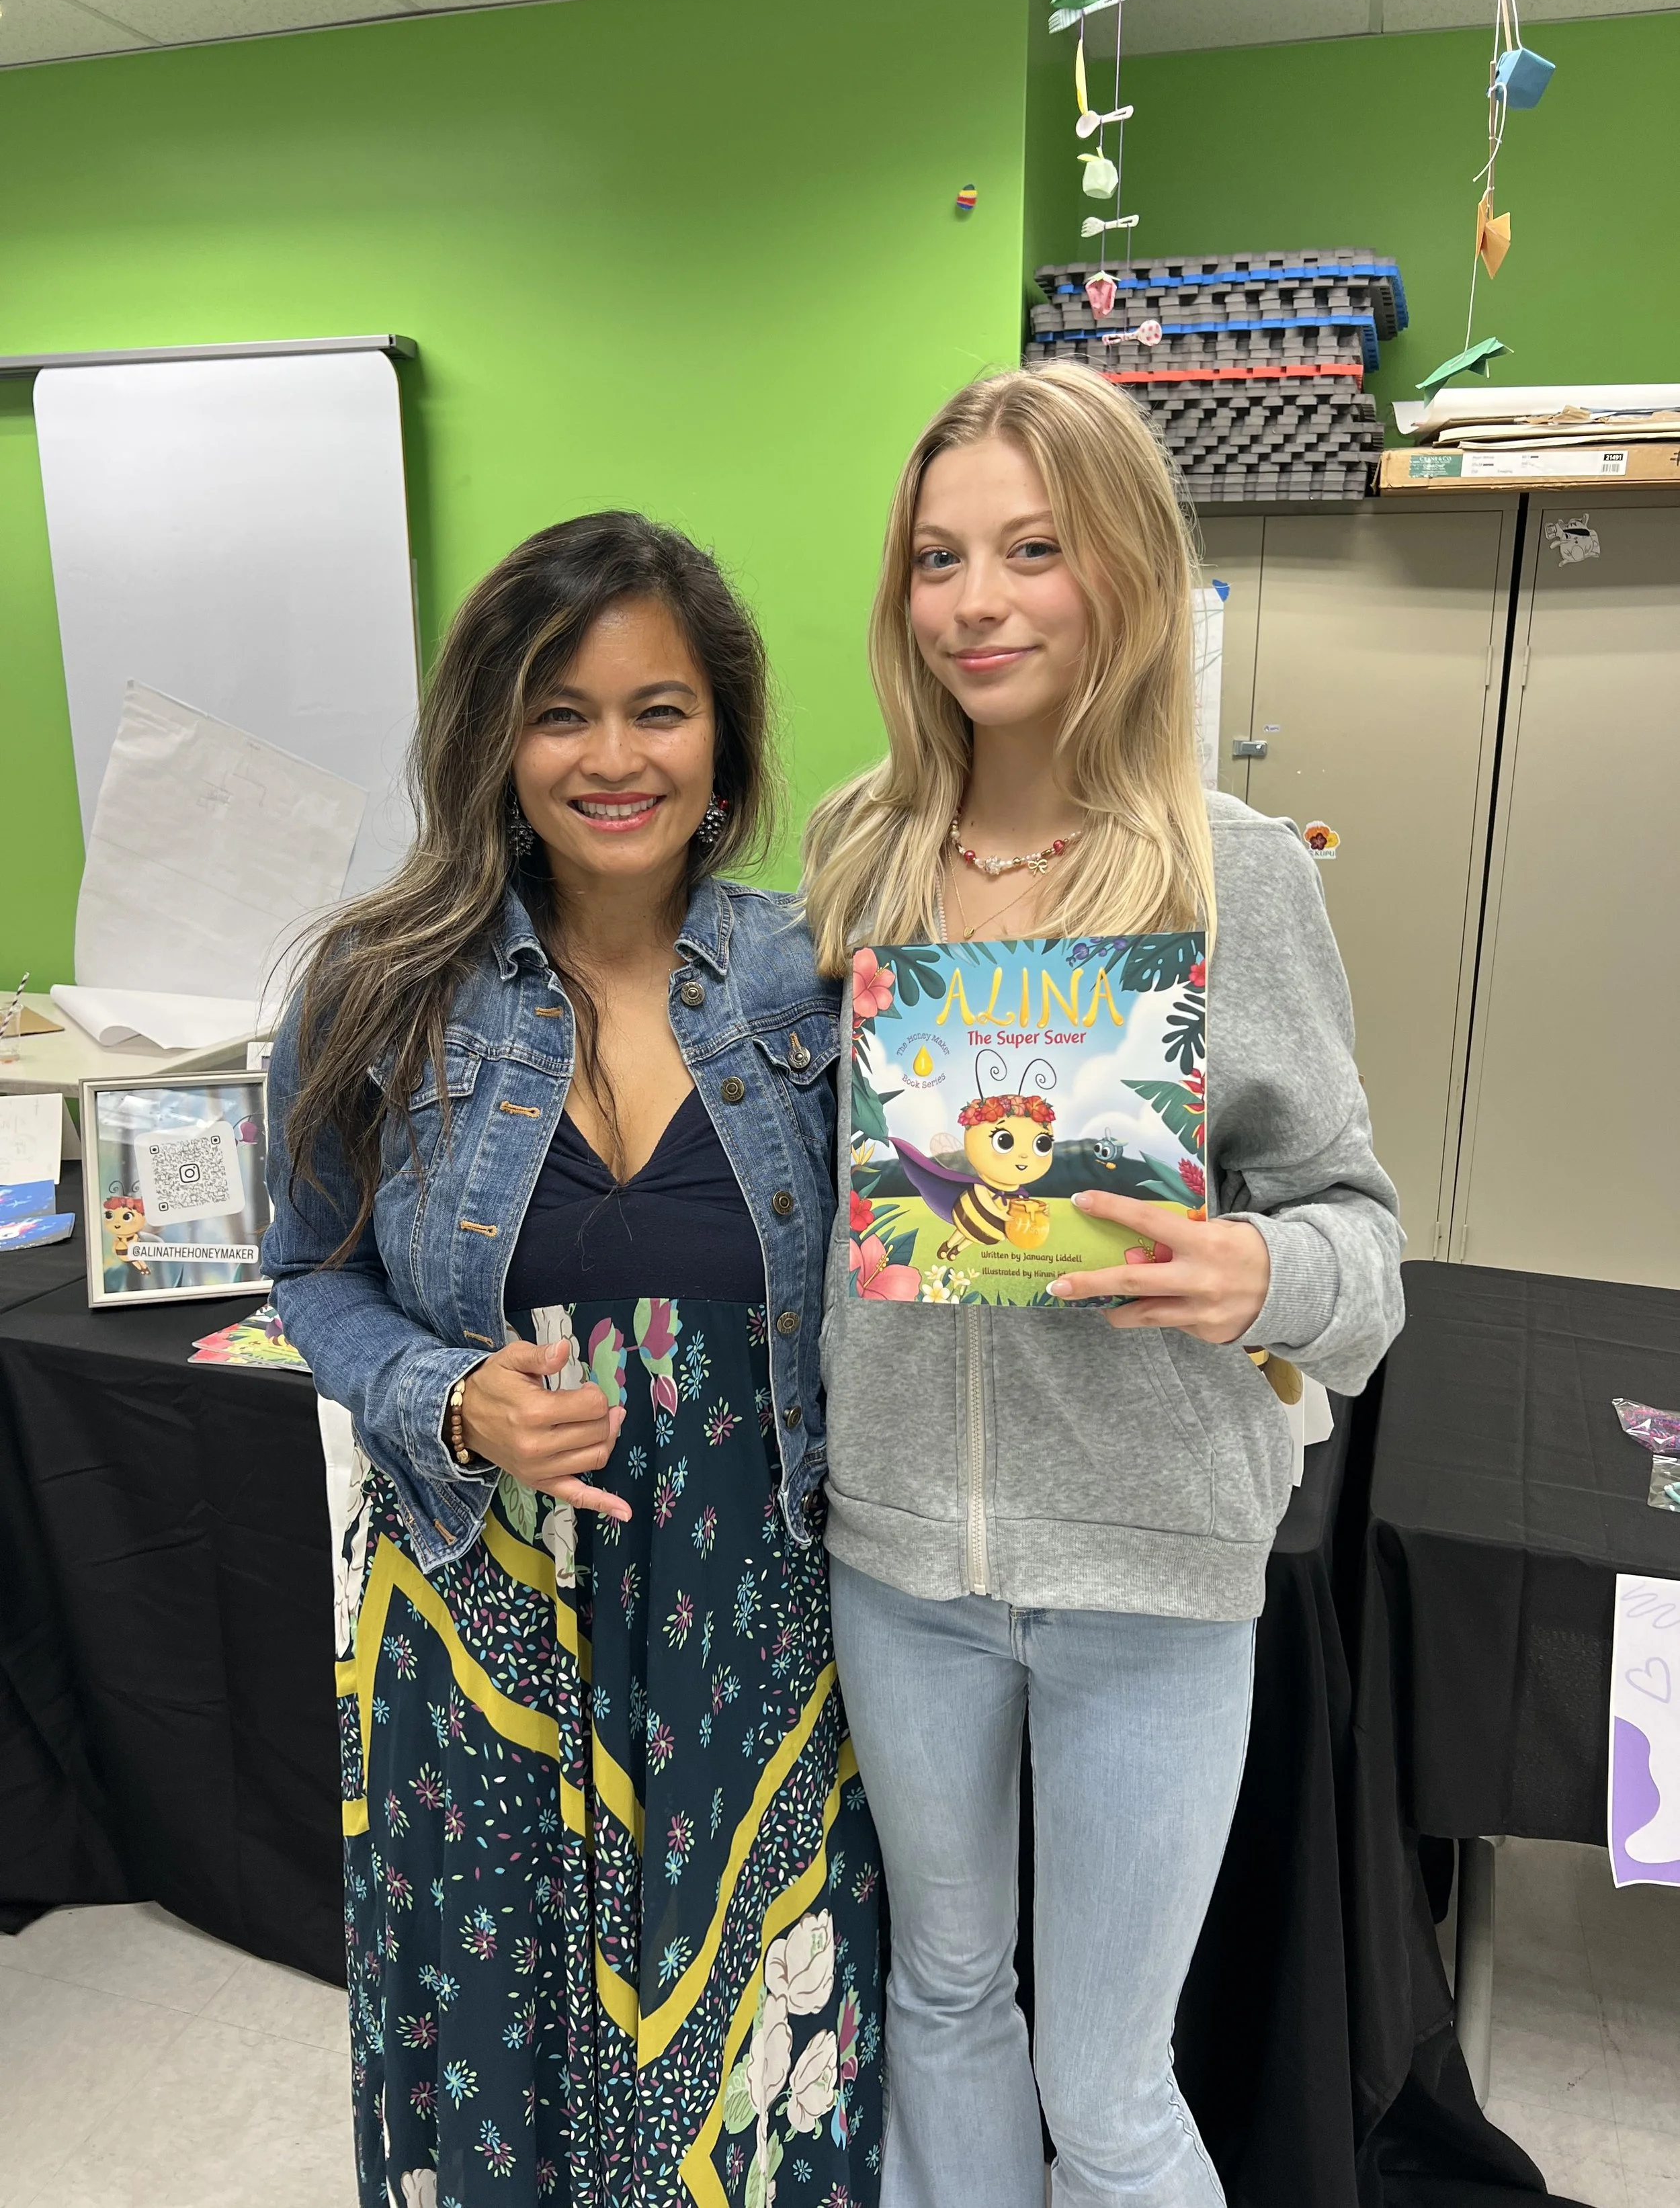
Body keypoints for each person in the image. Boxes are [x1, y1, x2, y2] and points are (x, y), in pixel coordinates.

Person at [802, 365, 1404, 2208]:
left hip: (1149, 1569)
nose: (975, 600)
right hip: (900, 1561)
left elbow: (1359, 1245)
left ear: (1123, 569)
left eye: (1031, 549)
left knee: (1112, 2088)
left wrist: (1253, 1271)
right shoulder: (857, 854)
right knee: (941, 1994)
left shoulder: (1229, 875)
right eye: (937, 557)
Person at [265, 514, 884, 2208]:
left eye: (659, 709)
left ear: (726, 737)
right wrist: (446, 1394)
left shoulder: (822, 981)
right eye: (560, 711)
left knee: (756, 2051)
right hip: (479, 1612)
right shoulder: (376, 987)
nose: (613, 757)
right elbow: (307, 1274)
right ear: (495, 739)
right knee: (493, 2033)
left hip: (756, 1615)